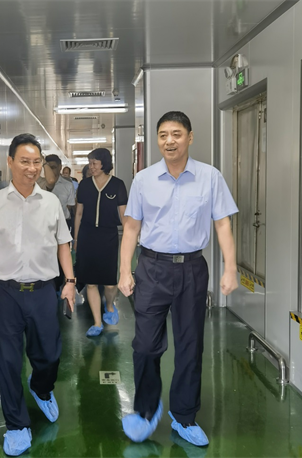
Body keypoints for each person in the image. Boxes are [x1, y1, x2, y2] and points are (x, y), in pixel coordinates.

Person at [118, 111, 239, 447]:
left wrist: (230, 267)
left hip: (191, 269)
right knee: (145, 346)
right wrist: (125, 269)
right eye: (163, 135)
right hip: (151, 268)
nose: (169, 141)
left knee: (190, 345)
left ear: (189, 137)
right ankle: (146, 409)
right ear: (157, 140)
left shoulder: (210, 177)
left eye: (176, 134)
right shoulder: (143, 180)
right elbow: (131, 227)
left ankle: (184, 417)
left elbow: (222, 224)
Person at [0, 133, 76, 456]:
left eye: (36, 162)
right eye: (25, 161)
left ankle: (41, 388)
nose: (31, 168)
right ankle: (16, 425)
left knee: (50, 355)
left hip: (44, 291)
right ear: (10, 162)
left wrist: (70, 281)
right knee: (8, 361)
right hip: (6, 293)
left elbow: (63, 244)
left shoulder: (51, 203)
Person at [74, 148, 128, 337]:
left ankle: (110, 305)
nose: (91, 167)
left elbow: (124, 215)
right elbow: (78, 213)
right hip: (87, 236)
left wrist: (130, 237)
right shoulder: (84, 185)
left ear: (104, 164)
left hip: (108, 237)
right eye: (90, 163)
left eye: (94, 163)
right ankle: (97, 322)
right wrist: (76, 239)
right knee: (90, 282)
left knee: (110, 284)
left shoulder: (117, 185)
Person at [37, 154, 76, 292]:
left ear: (60, 167)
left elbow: (70, 206)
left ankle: (59, 287)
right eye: (48, 167)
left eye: (54, 167)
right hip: (43, 226)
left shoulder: (67, 185)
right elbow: (50, 180)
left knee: (61, 257)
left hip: (63, 223)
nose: (51, 170)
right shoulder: (39, 183)